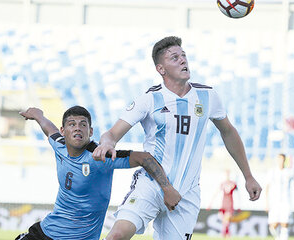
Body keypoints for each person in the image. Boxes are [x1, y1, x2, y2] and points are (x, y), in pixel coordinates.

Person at [92, 36, 262, 240]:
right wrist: (107, 143)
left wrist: (248, 176)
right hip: (151, 184)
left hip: (187, 194)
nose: (183, 60)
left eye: (183, 56)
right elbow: (112, 133)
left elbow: (228, 132)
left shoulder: (208, 96)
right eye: (174, 58)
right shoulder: (149, 99)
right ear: (161, 69)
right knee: (116, 236)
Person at [15, 106, 181, 240]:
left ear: (91, 131)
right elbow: (48, 127)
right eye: (72, 124)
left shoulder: (100, 156)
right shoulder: (59, 145)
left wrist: (167, 188)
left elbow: (144, 158)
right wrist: (38, 114)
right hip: (45, 233)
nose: (77, 128)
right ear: (63, 131)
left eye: (83, 124)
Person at [266, 153, 294, 240]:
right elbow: (267, 187)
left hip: (286, 202)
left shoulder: (289, 171)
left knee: (284, 223)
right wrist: (266, 202)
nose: (280, 161)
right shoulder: (272, 172)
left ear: (284, 160)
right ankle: (278, 238)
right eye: (279, 159)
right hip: (274, 202)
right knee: (273, 225)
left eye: (282, 159)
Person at [207, 169, 238, 238]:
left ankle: (225, 234)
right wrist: (210, 204)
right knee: (224, 221)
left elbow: (237, 194)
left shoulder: (233, 183)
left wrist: (239, 205)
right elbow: (216, 193)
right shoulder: (223, 183)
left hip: (230, 204)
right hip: (223, 204)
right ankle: (226, 235)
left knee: (227, 220)